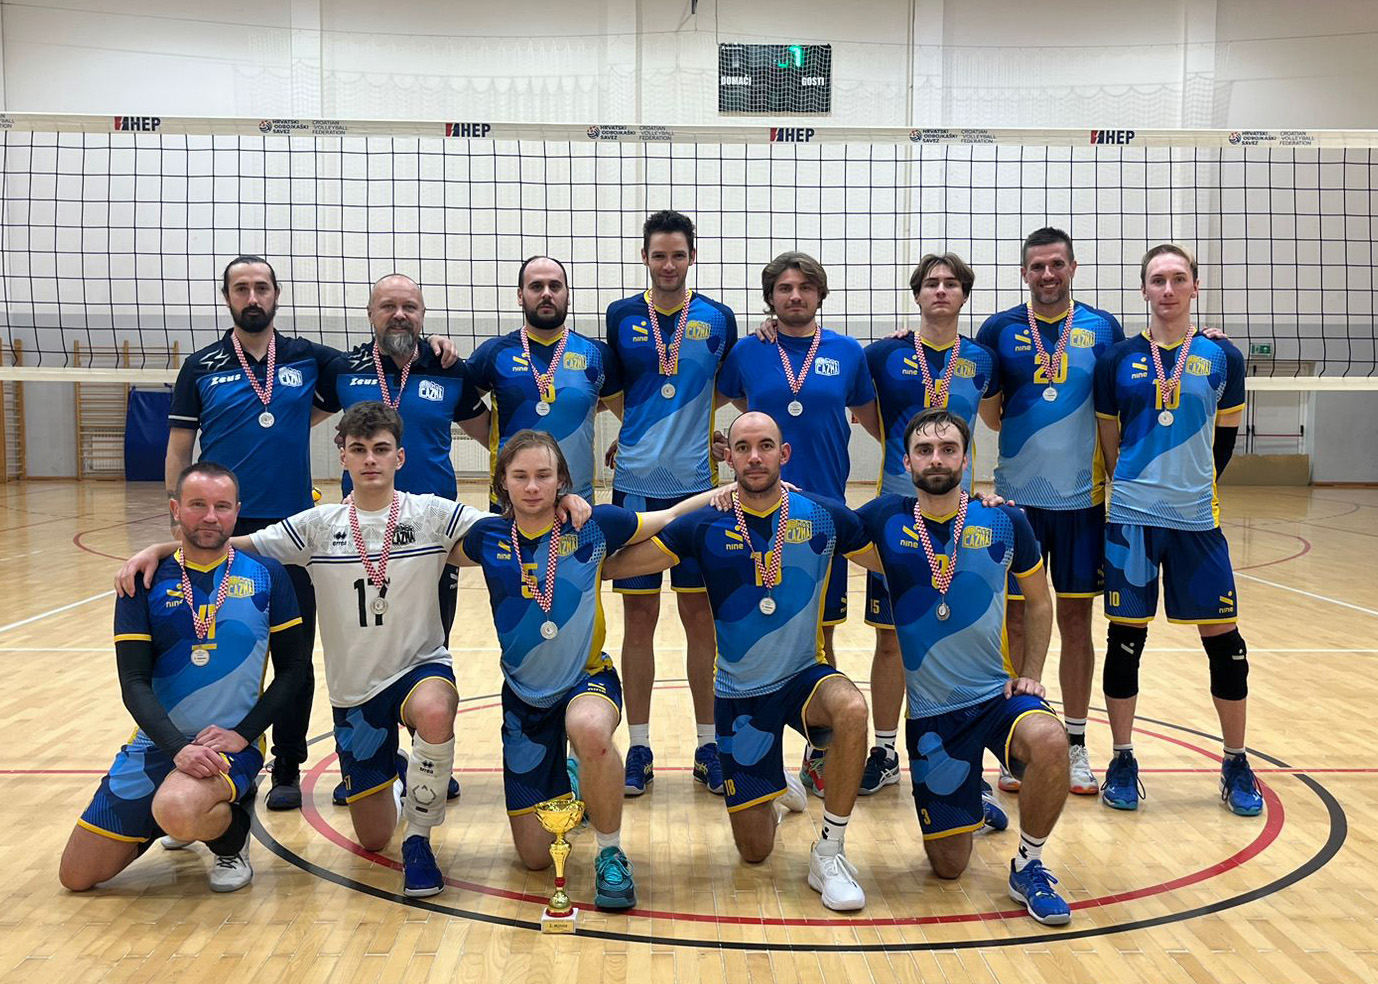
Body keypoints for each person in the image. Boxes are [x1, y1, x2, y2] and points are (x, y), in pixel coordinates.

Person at [122, 402, 591, 897]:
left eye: (381, 449)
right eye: (360, 449)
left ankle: (419, 842)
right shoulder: (316, 525)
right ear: (342, 455)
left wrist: (564, 500)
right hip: (355, 692)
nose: (371, 459)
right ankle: (397, 774)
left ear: (399, 457)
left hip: (419, 668)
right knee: (372, 836)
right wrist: (162, 550)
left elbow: (516, 520)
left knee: (436, 709)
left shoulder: (432, 514)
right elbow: (236, 545)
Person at [167, 255, 460, 811]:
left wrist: (431, 346)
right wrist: (175, 516)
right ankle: (215, 761)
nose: (253, 297)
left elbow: (389, 356)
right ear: (227, 297)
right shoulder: (201, 365)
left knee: (299, 655)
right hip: (223, 524)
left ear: (277, 295)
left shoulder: (310, 359)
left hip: (298, 526)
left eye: (262, 287)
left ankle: (291, 767)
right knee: (221, 647)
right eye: (241, 288)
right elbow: (179, 448)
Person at [603, 411, 873, 912]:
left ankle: (830, 852)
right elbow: (615, 566)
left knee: (852, 709)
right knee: (754, 852)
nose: (754, 457)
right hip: (738, 694)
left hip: (804, 677)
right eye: (743, 447)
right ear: (727, 457)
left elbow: (897, 552)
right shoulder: (706, 524)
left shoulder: (822, 515)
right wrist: (564, 532)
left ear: (783, 454)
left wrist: (974, 509)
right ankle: (774, 785)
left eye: (765, 446)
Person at [455, 430, 726, 910]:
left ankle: (610, 852)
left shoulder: (594, 525)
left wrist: (729, 493)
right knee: (534, 858)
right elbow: (435, 551)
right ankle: (575, 779)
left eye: (544, 475)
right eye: (520, 476)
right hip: (524, 695)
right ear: (502, 483)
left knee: (590, 729)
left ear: (562, 480)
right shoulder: (486, 536)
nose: (532, 487)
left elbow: (668, 517)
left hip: (587, 679)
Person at [854, 408, 1072, 925]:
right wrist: (731, 492)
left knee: (1050, 740)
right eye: (925, 450)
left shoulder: (1004, 520)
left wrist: (1032, 672)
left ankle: (1030, 864)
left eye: (948, 449)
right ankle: (969, 794)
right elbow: (804, 516)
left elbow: (1039, 601)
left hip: (996, 698)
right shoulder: (883, 519)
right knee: (949, 868)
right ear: (906, 462)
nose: (937, 459)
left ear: (966, 459)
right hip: (934, 717)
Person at [61, 462, 309, 893]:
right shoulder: (142, 579)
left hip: (228, 743)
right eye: (197, 505)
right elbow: (133, 681)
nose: (210, 516)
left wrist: (243, 734)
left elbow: (293, 670)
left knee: (177, 807)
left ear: (237, 512)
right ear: (176, 509)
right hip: (158, 742)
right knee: (77, 876)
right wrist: (176, 749)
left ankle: (229, 838)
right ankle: (177, 815)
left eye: (221, 506)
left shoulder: (268, 575)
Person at [1093, 244, 1259, 816]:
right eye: (1158, 280)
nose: (1168, 289)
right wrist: (1132, 486)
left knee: (1226, 645)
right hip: (1132, 520)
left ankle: (1235, 761)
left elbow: (1224, 441)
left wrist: (1191, 484)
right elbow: (1108, 437)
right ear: (1143, 289)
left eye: (1178, 279)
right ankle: (1122, 758)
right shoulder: (1117, 359)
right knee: (1125, 642)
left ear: (1194, 287)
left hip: (1196, 521)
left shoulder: (1222, 356)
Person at [316, 272, 487, 805]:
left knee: (428, 647)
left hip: (432, 541)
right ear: (370, 315)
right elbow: (289, 420)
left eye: (409, 306)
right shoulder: (343, 371)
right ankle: (372, 762)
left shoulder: (450, 371)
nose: (399, 314)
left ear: (423, 315)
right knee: (363, 648)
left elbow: (494, 435)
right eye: (387, 305)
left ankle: (427, 759)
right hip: (360, 541)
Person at [717, 251, 880, 798]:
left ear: (820, 295)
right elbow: (724, 410)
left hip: (820, 518)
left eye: (805, 287)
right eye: (784, 288)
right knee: (753, 629)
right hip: (753, 515)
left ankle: (820, 752)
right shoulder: (748, 351)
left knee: (820, 638)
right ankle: (753, 750)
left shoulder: (848, 352)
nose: (794, 296)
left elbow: (878, 422)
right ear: (770, 297)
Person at [974, 229, 1124, 797]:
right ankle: (1018, 741)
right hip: (1018, 503)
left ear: (1073, 268)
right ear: (1024, 273)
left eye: (1056, 264)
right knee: (1014, 621)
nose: (1047, 275)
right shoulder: (999, 330)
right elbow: (990, 414)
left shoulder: (1103, 328)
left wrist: (1201, 336)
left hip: (1083, 502)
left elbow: (1123, 395)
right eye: (1037, 266)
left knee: (1077, 623)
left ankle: (1077, 744)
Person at [604, 210, 738, 798]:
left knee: (700, 620)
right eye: (658, 254)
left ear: (692, 257)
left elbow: (729, 385)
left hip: (699, 490)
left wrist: (709, 433)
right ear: (644, 257)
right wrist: (640, 432)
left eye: (677, 255)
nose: (667, 264)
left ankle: (708, 747)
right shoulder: (621, 316)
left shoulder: (718, 318)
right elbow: (616, 393)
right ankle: (639, 747)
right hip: (635, 486)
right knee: (639, 622)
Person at [859, 253, 998, 795]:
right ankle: (885, 750)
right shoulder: (883, 354)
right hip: (898, 515)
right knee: (891, 641)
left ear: (964, 294)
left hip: (958, 519)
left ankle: (966, 752)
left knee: (958, 638)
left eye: (951, 283)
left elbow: (994, 416)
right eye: (931, 283)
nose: (941, 290)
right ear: (916, 294)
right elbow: (868, 416)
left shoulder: (982, 359)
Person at [468, 256, 622, 503]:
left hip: (576, 500)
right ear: (520, 295)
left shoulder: (596, 354)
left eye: (555, 286)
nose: (546, 293)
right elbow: (460, 404)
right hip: (511, 501)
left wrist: (625, 435)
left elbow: (632, 413)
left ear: (568, 295)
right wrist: (501, 446)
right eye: (536, 286)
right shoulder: (494, 353)